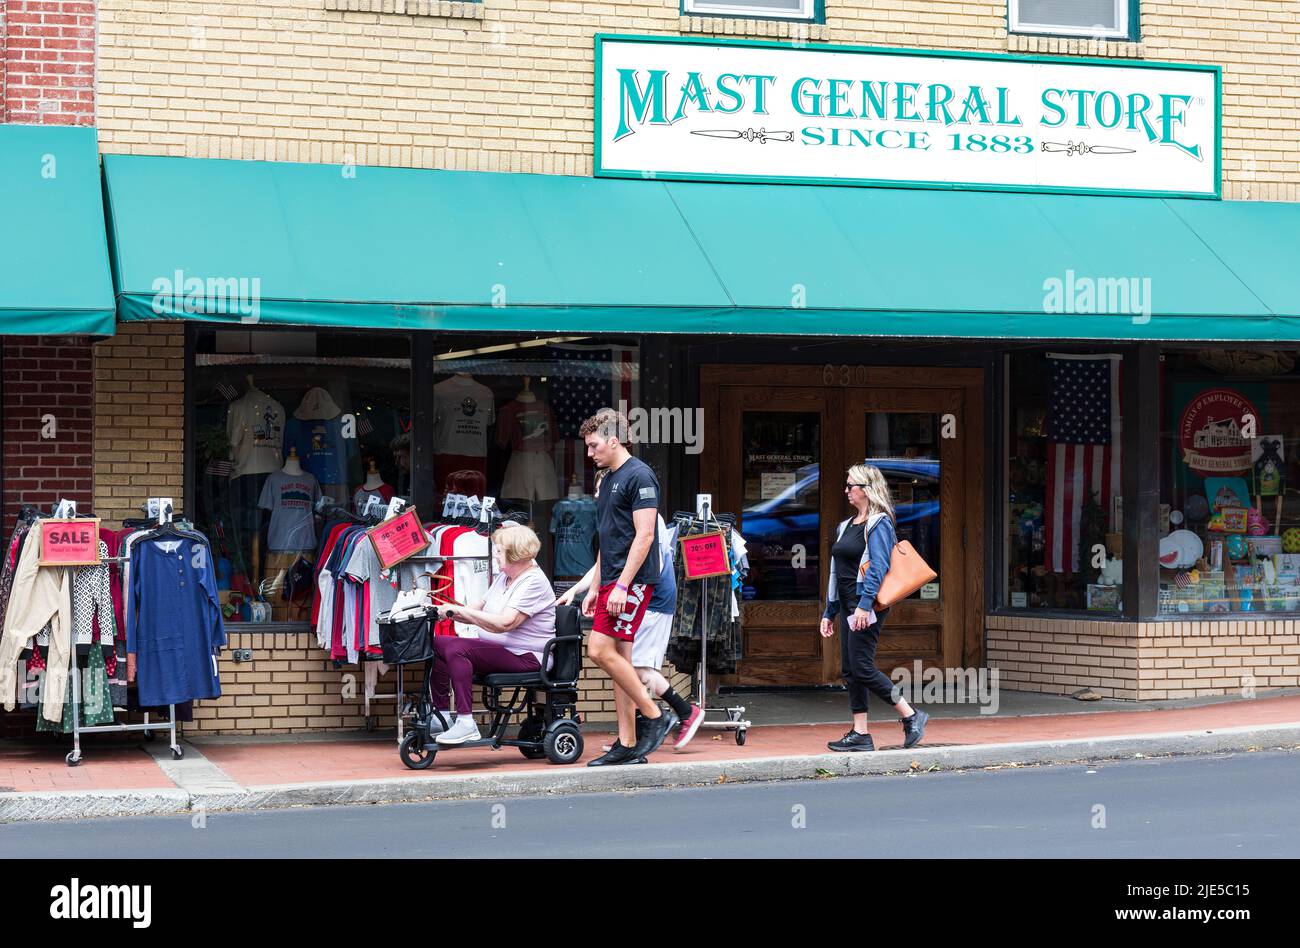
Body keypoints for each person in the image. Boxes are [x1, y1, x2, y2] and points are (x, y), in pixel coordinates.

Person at [559, 469, 704, 753]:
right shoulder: (617, 515)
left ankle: (682, 712)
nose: (599, 495)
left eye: (603, 489)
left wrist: (625, 589)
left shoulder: (648, 517)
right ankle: (632, 735)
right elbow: (607, 557)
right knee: (623, 664)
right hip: (636, 597)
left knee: (634, 667)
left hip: (652, 598)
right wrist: (584, 590)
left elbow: (650, 560)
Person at [579, 408, 679, 765]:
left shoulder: (640, 475)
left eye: (593, 446)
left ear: (614, 440)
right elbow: (609, 538)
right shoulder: (607, 480)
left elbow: (646, 535)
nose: (589, 454)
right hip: (612, 580)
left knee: (598, 650)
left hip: (632, 582)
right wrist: (595, 586)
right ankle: (627, 743)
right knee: (619, 658)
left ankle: (655, 715)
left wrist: (621, 586)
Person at [820, 462, 929, 752]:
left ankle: (911, 714)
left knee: (863, 667)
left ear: (867, 490)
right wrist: (830, 612)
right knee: (850, 670)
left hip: (865, 605)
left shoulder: (879, 523)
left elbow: (879, 567)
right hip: (847, 605)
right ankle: (860, 733)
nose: (846, 490)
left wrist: (864, 607)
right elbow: (836, 571)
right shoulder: (845, 526)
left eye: (850, 486)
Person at [432, 525, 556, 745]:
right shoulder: (505, 577)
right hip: (503, 651)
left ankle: (466, 723)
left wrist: (462, 612)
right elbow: (476, 608)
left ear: (514, 554)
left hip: (527, 656)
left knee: (457, 649)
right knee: (438, 642)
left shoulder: (533, 581)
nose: (495, 556)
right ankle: (440, 715)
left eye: (499, 551)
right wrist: (447, 611)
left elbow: (505, 623)